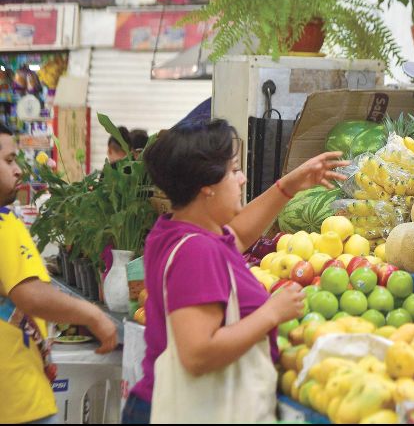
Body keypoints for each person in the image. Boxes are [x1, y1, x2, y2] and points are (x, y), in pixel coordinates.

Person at [122, 119, 348, 424]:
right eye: (234, 170)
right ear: (207, 188)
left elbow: (238, 236)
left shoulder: (178, 231)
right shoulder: (196, 251)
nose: (241, 180)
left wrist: (288, 186)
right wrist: (272, 313)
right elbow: (197, 354)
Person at [0, 122, 118, 424]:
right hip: (16, 398)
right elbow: (30, 295)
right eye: (9, 161)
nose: (18, 171)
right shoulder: (4, 226)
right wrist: (93, 315)